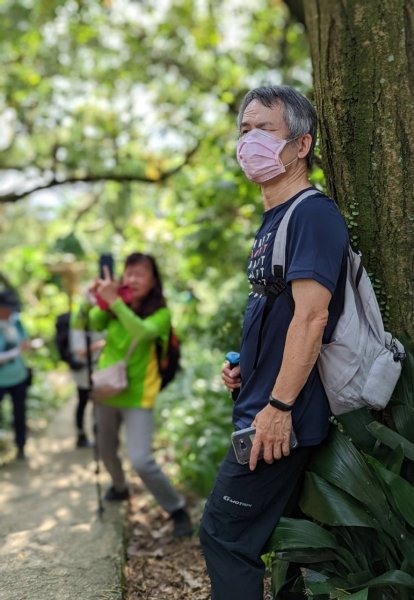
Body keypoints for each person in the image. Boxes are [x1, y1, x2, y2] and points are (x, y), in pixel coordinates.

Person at [199, 86, 349, 599]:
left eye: (264, 129)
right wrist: (247, 371)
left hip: (277, 419)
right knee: (285, 551)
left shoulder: (311, 213)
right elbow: (280, 313)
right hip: (262, 405)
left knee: (224, 536)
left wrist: (278, 405)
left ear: (301, 145)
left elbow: (311, 318)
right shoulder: (274, 222)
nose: (250, 141)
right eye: (244, 130)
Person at [87, 252, 192, 538]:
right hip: (106, 390)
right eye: (128, 272)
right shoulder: (112, 305)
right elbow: (93, 322)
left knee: (142, 460)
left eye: (140, 273)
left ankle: (177, 509)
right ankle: (120, 488)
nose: (132, 278)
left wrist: (116, 303)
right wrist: (96, 297)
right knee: (105, 449)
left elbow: (143, 332)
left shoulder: (161, 312)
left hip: (138, 396)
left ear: (153, 280)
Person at [0, 288, 30, 460]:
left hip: (19, 376)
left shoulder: (16, 322)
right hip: (1, 380)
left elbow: (25, 341)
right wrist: (14, 352)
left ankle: (21, 447)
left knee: (19, 414)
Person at [68, 309, 105, 448]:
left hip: (96, 369)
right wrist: (101, 344)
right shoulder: (80, 319)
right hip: (83, 371)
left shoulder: (102, 317)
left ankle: (97, 436)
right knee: (83, 402)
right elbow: (80, 351)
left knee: (96, 404)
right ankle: (81, 435)